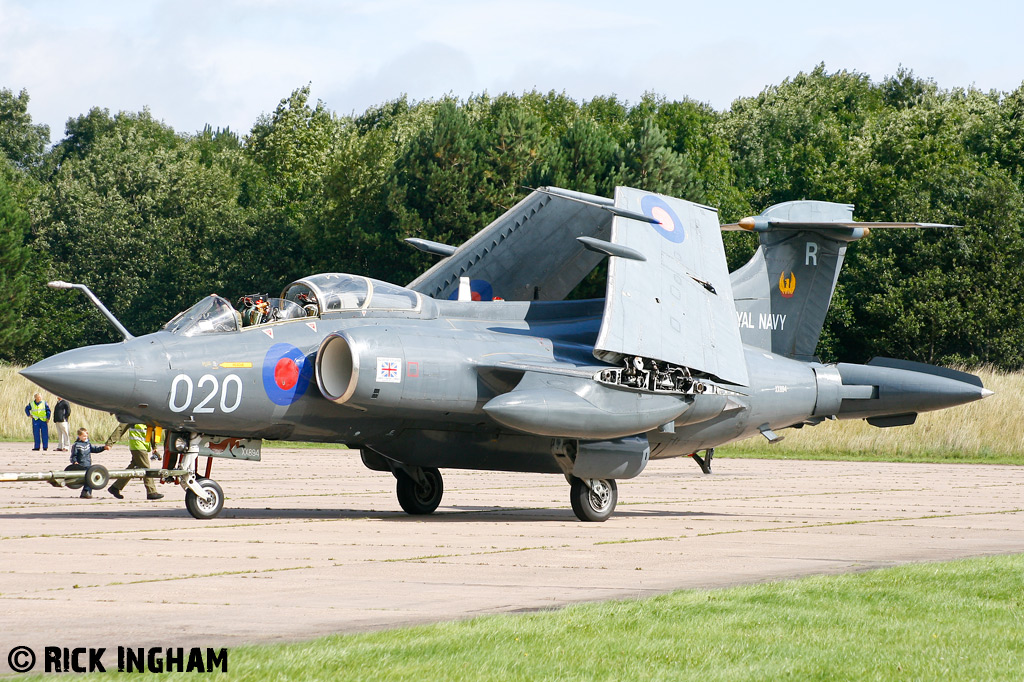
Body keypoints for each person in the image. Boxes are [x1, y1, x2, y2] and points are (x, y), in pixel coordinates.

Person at [106, 423, 164, 500]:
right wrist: (110, 443)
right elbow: (121, 428)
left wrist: (154, 446)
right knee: (146, 468)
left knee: (132, 468)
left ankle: (115, 487)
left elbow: (152, 430)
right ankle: (151, 492)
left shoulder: (147, 416)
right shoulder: (133, 416)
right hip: (137, 445)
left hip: (143, 446)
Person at [69, 427, 109, 499]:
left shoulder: (88, 444)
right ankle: (86, 492)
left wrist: (104, 448)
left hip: (88, 465)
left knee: (90, 477)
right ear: (79, 436)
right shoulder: (76, 445)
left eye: (86, 436)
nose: (85, 437)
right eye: (84, 436)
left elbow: (96, 449)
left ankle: (86, 492)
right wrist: (74, 462)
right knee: (88, 478)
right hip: (80, 465)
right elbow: (73, 456)